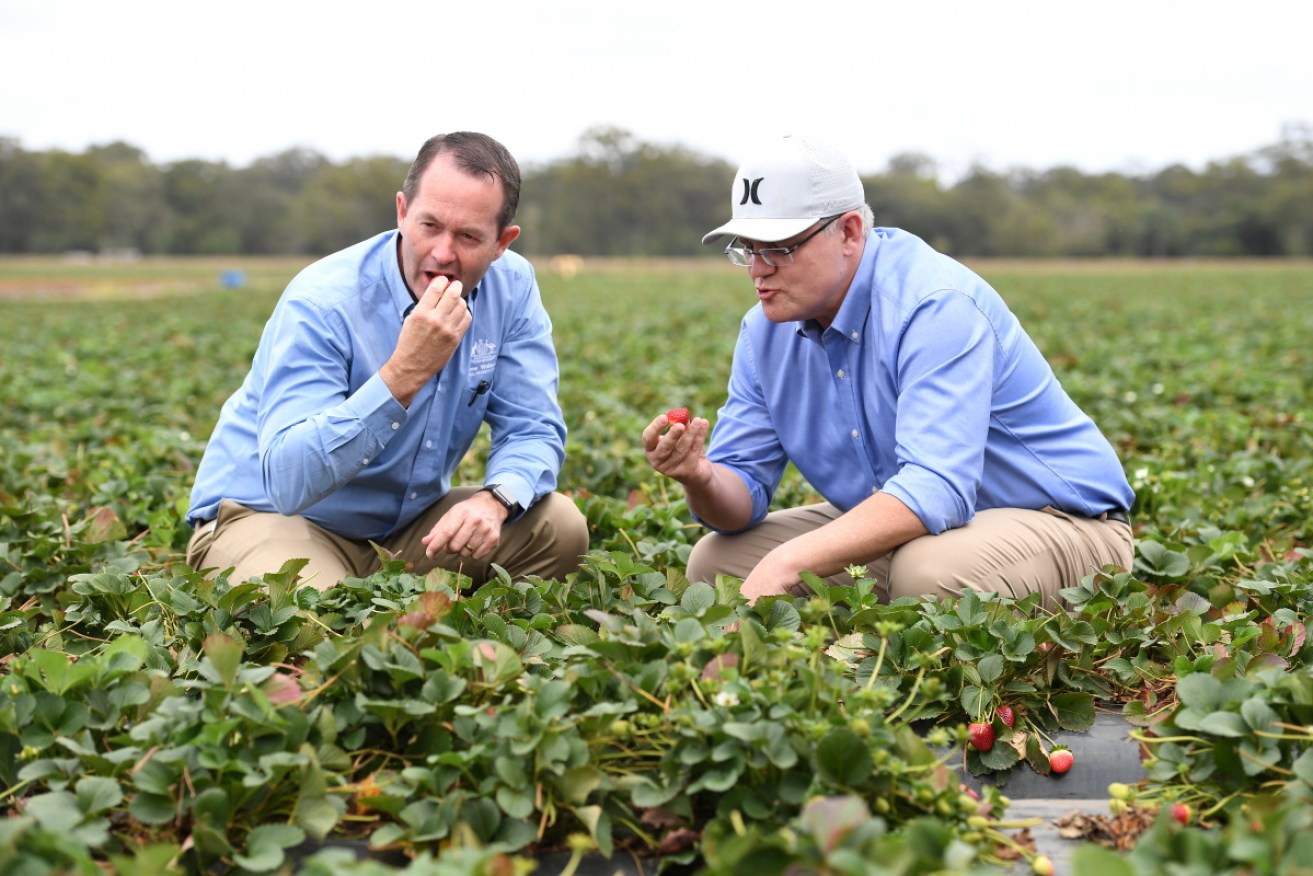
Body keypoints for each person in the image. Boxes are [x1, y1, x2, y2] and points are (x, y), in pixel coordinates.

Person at [642, 135, 1134, 606]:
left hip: (1064, 523)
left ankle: (885, 644)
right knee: (717, 563)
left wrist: (786, 564)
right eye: (747, 248)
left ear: (850, 233)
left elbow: (936, 486)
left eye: (779, 248)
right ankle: (865, 645)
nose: (757, 269)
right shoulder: (764, 333)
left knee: (927, 574)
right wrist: (700, 476)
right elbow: (740, 498)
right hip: (920, 532)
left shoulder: (934, 304)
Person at [186, 131, 588, 590]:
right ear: (401, 211)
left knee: (558, 527)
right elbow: (287, 480)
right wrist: (403, 374)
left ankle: (447, 628)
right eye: (429, 226)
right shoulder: (323, 301)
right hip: (274, 516)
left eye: (469, 236)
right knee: (314, 610)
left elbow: (532, 426)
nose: (443, 254)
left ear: (502, 243)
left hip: (403, 531)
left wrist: (494, 500)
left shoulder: (511, 288)